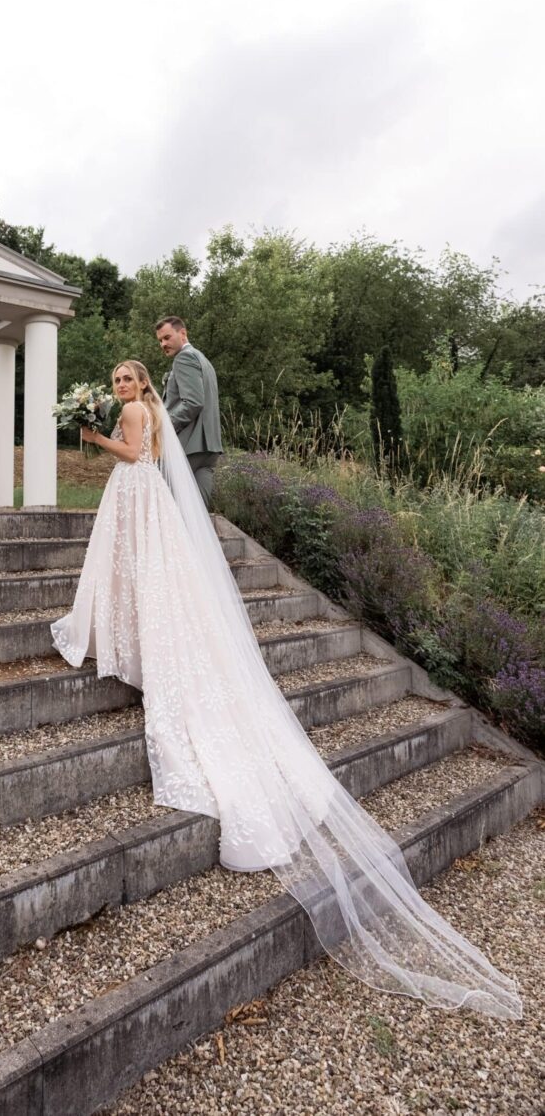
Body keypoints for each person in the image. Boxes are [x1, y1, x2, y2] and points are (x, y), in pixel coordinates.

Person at [51, 359, 521, 1021]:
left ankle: (119, 638)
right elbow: (151, 451)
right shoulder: (157, 409)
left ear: (136, 387)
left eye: (127, 381)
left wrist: (96, 440)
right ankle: (127, 634)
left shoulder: (133, 417)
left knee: (135, 574)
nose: (123, 389)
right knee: (146, 576)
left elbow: (132, 453)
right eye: (118, 383)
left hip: (135, 492)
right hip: (147, 499)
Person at [156, 316, 223, 506]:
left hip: (188, 446)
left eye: (167, 337)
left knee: (164, 505)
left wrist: (162, 425)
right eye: (160, 340)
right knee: (197, 514)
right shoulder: (204, 361)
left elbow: (193, 402)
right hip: (209, 450)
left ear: (182, 333)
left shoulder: (184, 358)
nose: (163, 344)